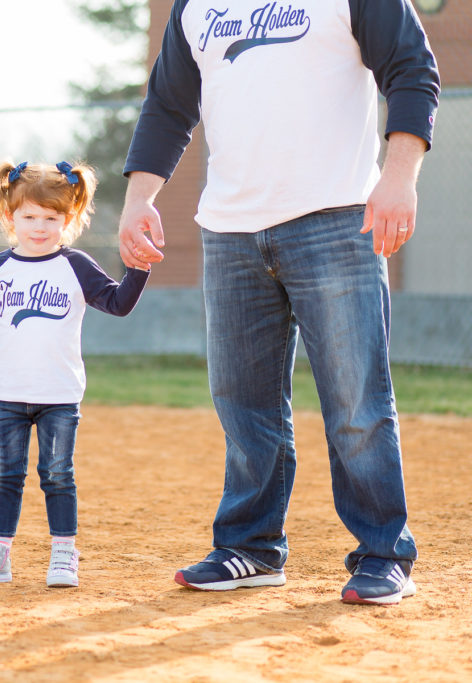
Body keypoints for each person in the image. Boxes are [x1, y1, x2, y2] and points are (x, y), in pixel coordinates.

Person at [118, 0, 439, 605]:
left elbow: (412, 68)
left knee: (356, 403)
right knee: (243, 403)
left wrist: (399, 177)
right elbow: (167, 106)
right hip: (230, 229)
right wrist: (140, 198)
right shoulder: (194, 8)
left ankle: (383, 553)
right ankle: (250, 547)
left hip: (337, 219)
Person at [0, 161, 150, 588]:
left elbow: (117, 303)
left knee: (57, 475)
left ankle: (63, 555)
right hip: (7, 395)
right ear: (9, 216)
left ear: (68, 219)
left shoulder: (75, 265)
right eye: (29, 217)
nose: (39, 227)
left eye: (51, 218)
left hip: (59, 395)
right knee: (5, 476)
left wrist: (139, 270)